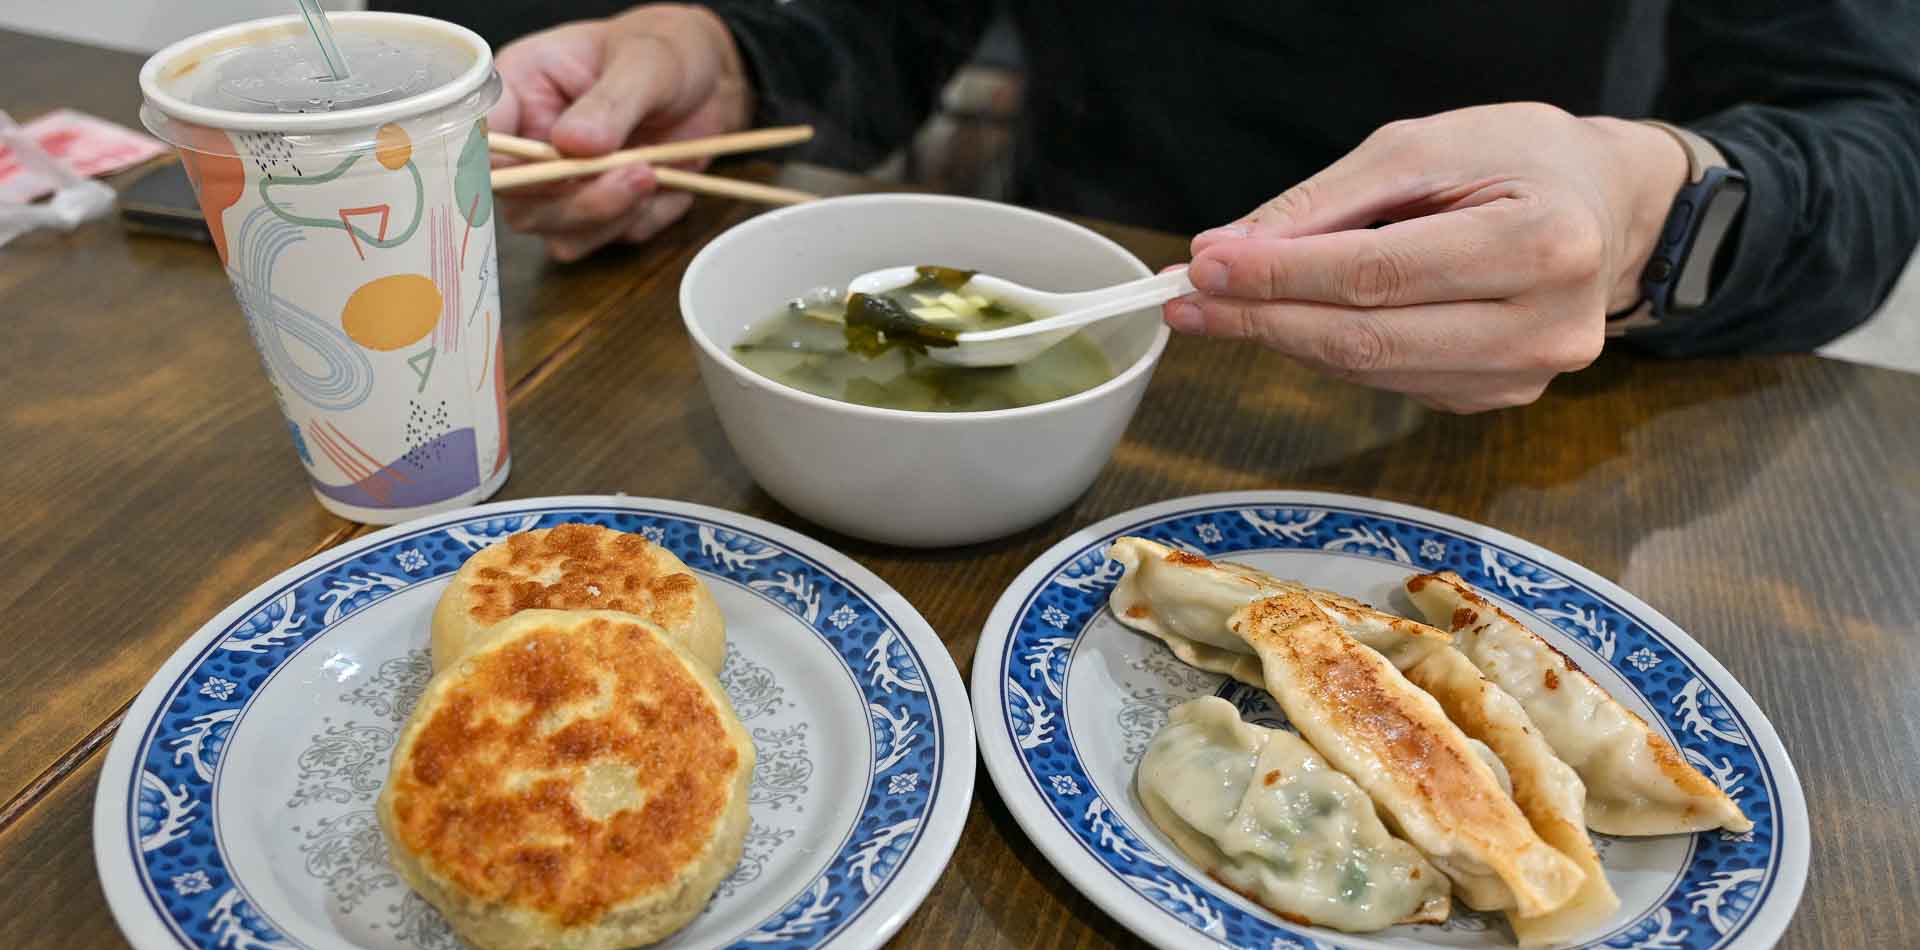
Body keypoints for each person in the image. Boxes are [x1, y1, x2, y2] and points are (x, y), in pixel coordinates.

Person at [469, 2, 1920, 412]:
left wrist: (1647, 212)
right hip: (1065, 341)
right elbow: (882, 29)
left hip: (1519, 406)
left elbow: (1870, 129)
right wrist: (724, 56)